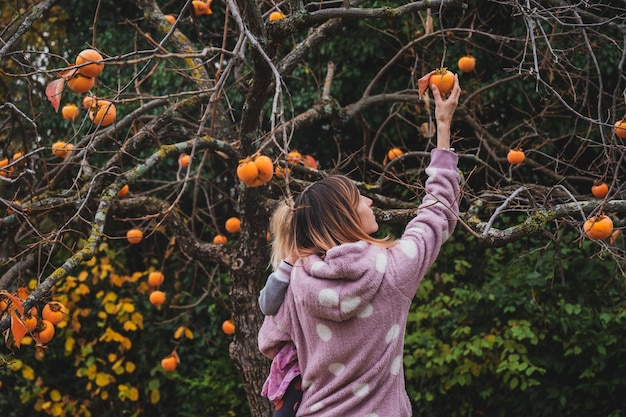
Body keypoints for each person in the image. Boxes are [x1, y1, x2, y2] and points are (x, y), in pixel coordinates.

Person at [258, 75, 462, 416]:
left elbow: (269, 340)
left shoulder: (296, 283)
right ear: (344, 217)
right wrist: (443, 126)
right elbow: (438, 211)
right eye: (358, 198)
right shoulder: (393, 270)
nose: (368, 200)